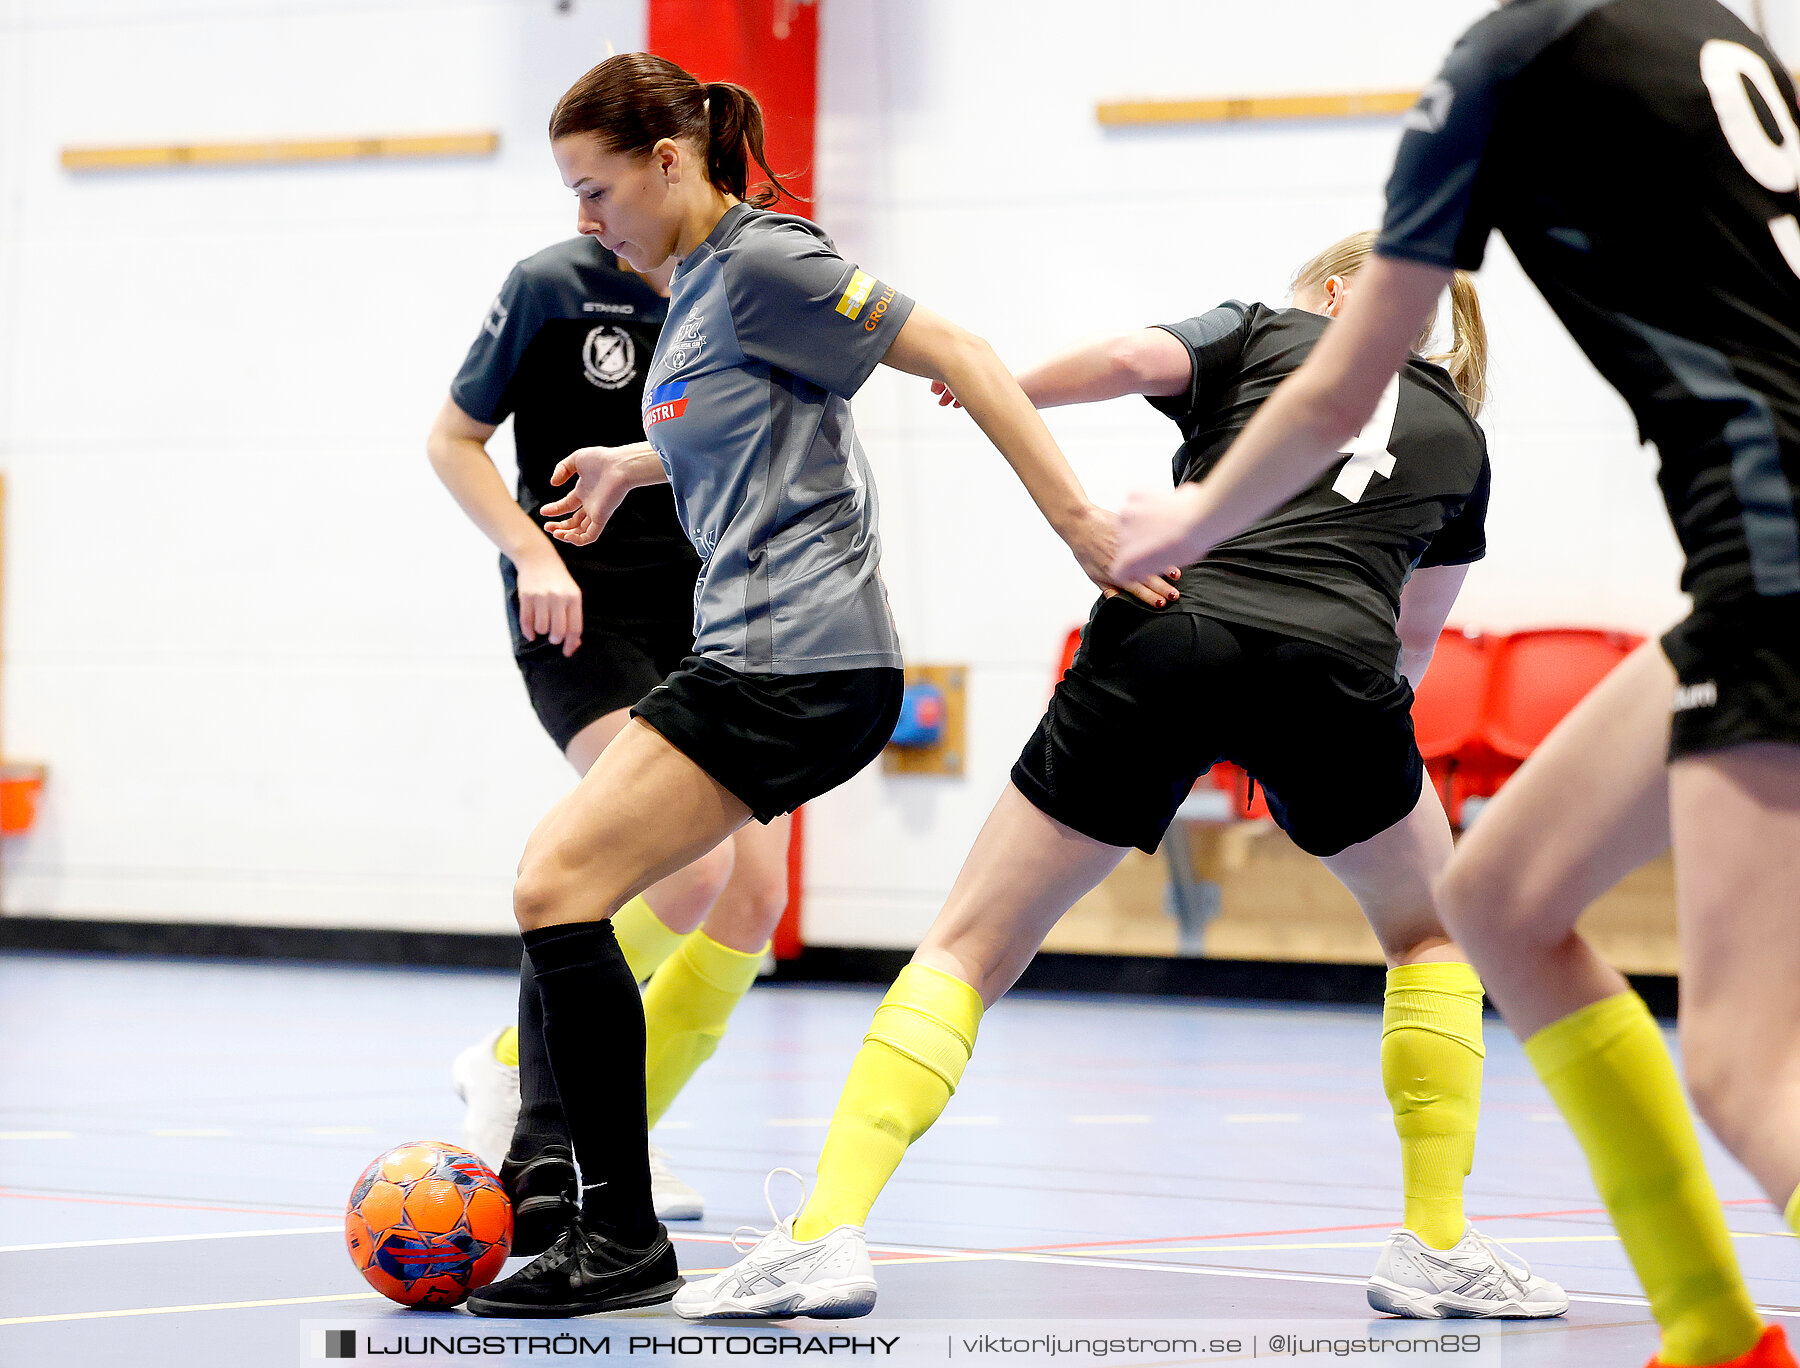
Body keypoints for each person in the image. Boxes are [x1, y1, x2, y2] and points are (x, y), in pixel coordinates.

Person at [675, 230, 1567, 1322]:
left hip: (1171, 627)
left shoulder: (1263, 331)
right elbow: (1411, 646)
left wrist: (1005, 385)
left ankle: (823, 1236)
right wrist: (1328, 762)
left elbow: (1126, 359)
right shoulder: (1462, 439)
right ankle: (1435, 1243)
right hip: (1338, 672)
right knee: (1433, 935)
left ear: (1334, 295)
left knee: (967, 944)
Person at [1111, 4, 1800, 1367]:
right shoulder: (1718, 30)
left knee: (1741, 1060)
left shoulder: (1510, 58)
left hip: (1774, 562)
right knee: (1492, 899)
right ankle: (1714, 1330)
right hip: (1750, 577)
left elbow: (1336, 385)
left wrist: (1183, 529)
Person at [461, 51, 1177, 1319]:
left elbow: (959, 348)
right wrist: (636, 462)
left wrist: (1079, 525)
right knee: (560, 883)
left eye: (594, 190)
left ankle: (594, 1213)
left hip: (799, 663)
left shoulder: (764, 261)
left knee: (554, 884)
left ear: (668, 163)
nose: (583, 220)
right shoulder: (689, 289)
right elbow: (741, 423)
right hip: (757, 658)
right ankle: (591, 1205)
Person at [427, 235, 791, 1240]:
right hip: (580, 609)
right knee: (683, 866)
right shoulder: (551, 285)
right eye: (576, 186)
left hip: (708, 611)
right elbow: (451, 440)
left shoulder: (737, 285)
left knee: (755, 895)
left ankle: (616, 1125)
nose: (587, 207)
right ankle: (517, 1078)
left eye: (600, 182)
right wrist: (530, 553)